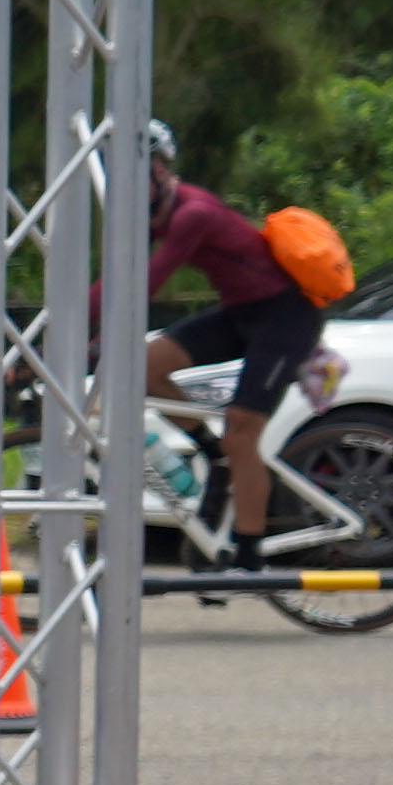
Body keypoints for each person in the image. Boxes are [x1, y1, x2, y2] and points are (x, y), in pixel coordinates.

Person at [139, 120, 320, 544]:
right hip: (241, 313)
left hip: (285, 317)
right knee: (146, 367)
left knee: (241, 434)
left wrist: (84, 335)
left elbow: (146, 282)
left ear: (159, 170)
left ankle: (248, 556)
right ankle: (212, 454)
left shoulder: (193, 213)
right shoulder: (154, 214)